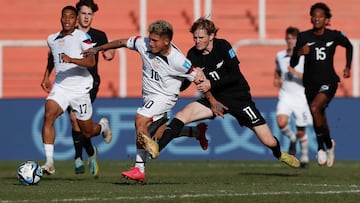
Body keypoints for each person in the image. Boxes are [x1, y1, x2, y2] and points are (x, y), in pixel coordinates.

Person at [156, 18, 300, 169]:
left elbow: (235, 75)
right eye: (195, 37)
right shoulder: (193, 55)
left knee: (268, 141)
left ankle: (279, 154)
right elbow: (186, 81)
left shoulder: (223, 46)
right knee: (182, 115)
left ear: (211, 36)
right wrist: (173, 88)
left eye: (201, 37)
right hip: (215, 99)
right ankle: (157, 148)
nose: (197, 41)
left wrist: (211, 83)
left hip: (239, 99)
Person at [83, 20, 210, 182]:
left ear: (166, 41)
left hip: (165, 97)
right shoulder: (143, 43)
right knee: (159, 133)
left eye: (155, 40)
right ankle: (196, 132)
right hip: (150, 96)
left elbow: (198, 79)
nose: (150, 43)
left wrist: (212, 103)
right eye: (150, 39)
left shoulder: (178, 60)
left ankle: (139, 169)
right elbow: (122, 42)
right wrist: (98, 48)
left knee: (140, 120)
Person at [40, 5, 112, 175]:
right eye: (64, 17)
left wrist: (72, 60)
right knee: (49, 114)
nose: (67, 20)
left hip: (80, 88)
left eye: (71, 17)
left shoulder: (83, 37)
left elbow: (91, 62)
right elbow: (52, 57)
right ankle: (49, 162)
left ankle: (102, 127)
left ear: (75, 20)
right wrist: (46, 76)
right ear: (60, 18)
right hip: (61, 86)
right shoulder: (52, 39)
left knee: (86, 130)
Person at [290, 2, 353, 167]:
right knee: (319, 117)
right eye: (314, 15)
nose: (317, 19)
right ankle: (329, 144)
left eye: (320, 16)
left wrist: (347, 66)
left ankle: (320, 148)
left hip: (329, 81)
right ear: (311, 17)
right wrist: (299, 53)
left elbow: (349, 45)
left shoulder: (334, 35)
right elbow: (293, 62)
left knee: (315, 108)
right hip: (310, 84)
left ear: (327, 19)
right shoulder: (304, 37)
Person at [274, 26, 311, 168]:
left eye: (293, 38)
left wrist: (294, 72)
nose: (290, 41)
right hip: (286, 95)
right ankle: (292, 138)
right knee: (281, 122)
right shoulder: (280, 56)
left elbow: (310, 78)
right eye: (288, 38)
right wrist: (276, 77)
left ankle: (305, 157)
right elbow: (278, 69)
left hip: (301, 95)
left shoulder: (304, 58)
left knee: (302, 130)